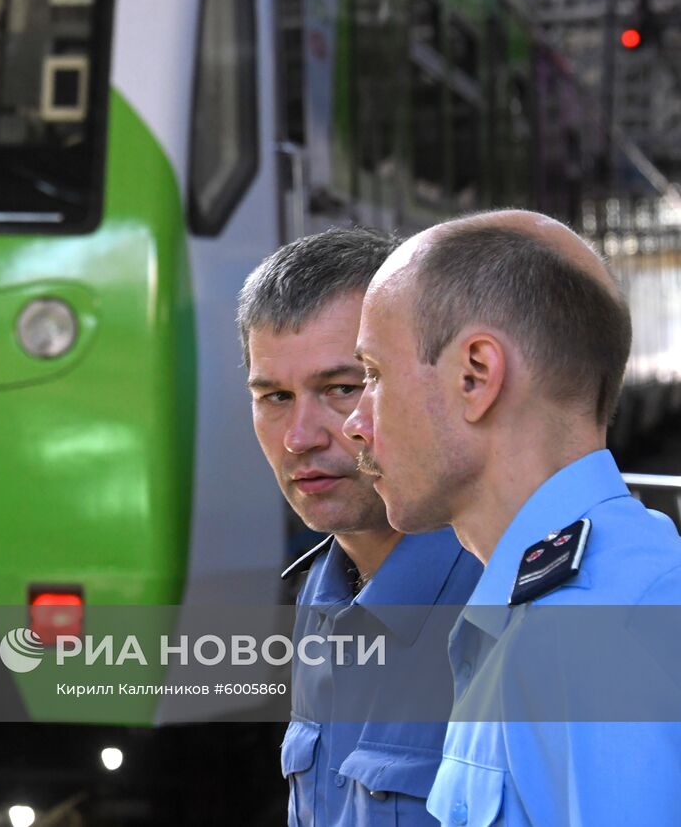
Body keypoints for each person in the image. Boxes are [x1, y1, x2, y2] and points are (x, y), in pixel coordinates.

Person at [344, 209, 681, 825]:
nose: (354, 423)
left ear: (476, 376)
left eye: (373, 375)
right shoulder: (598, 597)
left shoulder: (597, 638)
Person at [239, 227, 481, 827]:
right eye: (273, 397)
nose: (300, 437)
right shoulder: (322, 596)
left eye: (342, 388)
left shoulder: (510, 604)